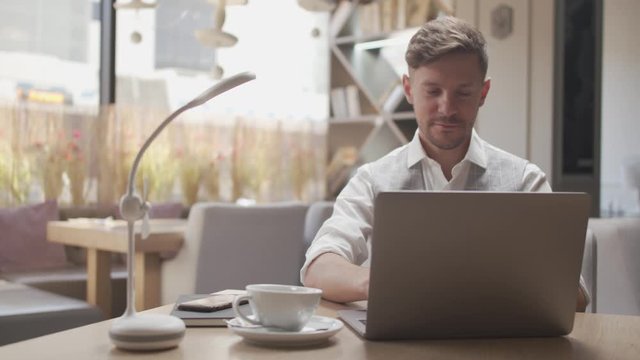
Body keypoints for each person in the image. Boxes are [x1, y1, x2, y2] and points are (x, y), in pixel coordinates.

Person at [301, 16, 589, 311]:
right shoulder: (373, 179)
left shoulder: (525, 181)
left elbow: (574, 295)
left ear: (483, 93)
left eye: (463, 93)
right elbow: (318, 269)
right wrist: (387, 284)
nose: (447, 109)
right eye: (433, 91)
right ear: (409, 90)